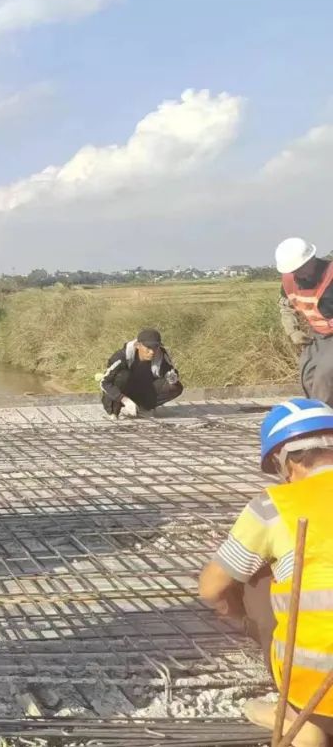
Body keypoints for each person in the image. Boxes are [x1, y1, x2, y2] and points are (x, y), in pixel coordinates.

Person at [198, 398, 333, 747]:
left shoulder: (276, 506)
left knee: (256, 574)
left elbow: (211, 587)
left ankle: (297, 718)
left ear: (288, 461)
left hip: (317, 691)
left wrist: (240, 617)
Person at [277, 237, 333, 405]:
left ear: (312, 260)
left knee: (325, 374)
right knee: (307, 372)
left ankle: (324, 414)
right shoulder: (289, 281)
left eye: (302, 268)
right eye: (295, 270)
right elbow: (286, 307)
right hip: (319, 335)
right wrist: (293, 331)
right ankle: (316, 409)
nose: (300, 274)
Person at [99, 328, 183, 418]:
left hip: (141, 391)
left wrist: (172, 378)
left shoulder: (162, 355)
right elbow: (104, 383)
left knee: (175, 387)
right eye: (148, 348)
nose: (152, 352)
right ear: (138, 345)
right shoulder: (121, 357)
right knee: (123, 376)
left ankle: (142, 408)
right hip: (120, 395)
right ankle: (115, 412)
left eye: (155, 347)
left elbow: (171, 372)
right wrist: (124, 400)